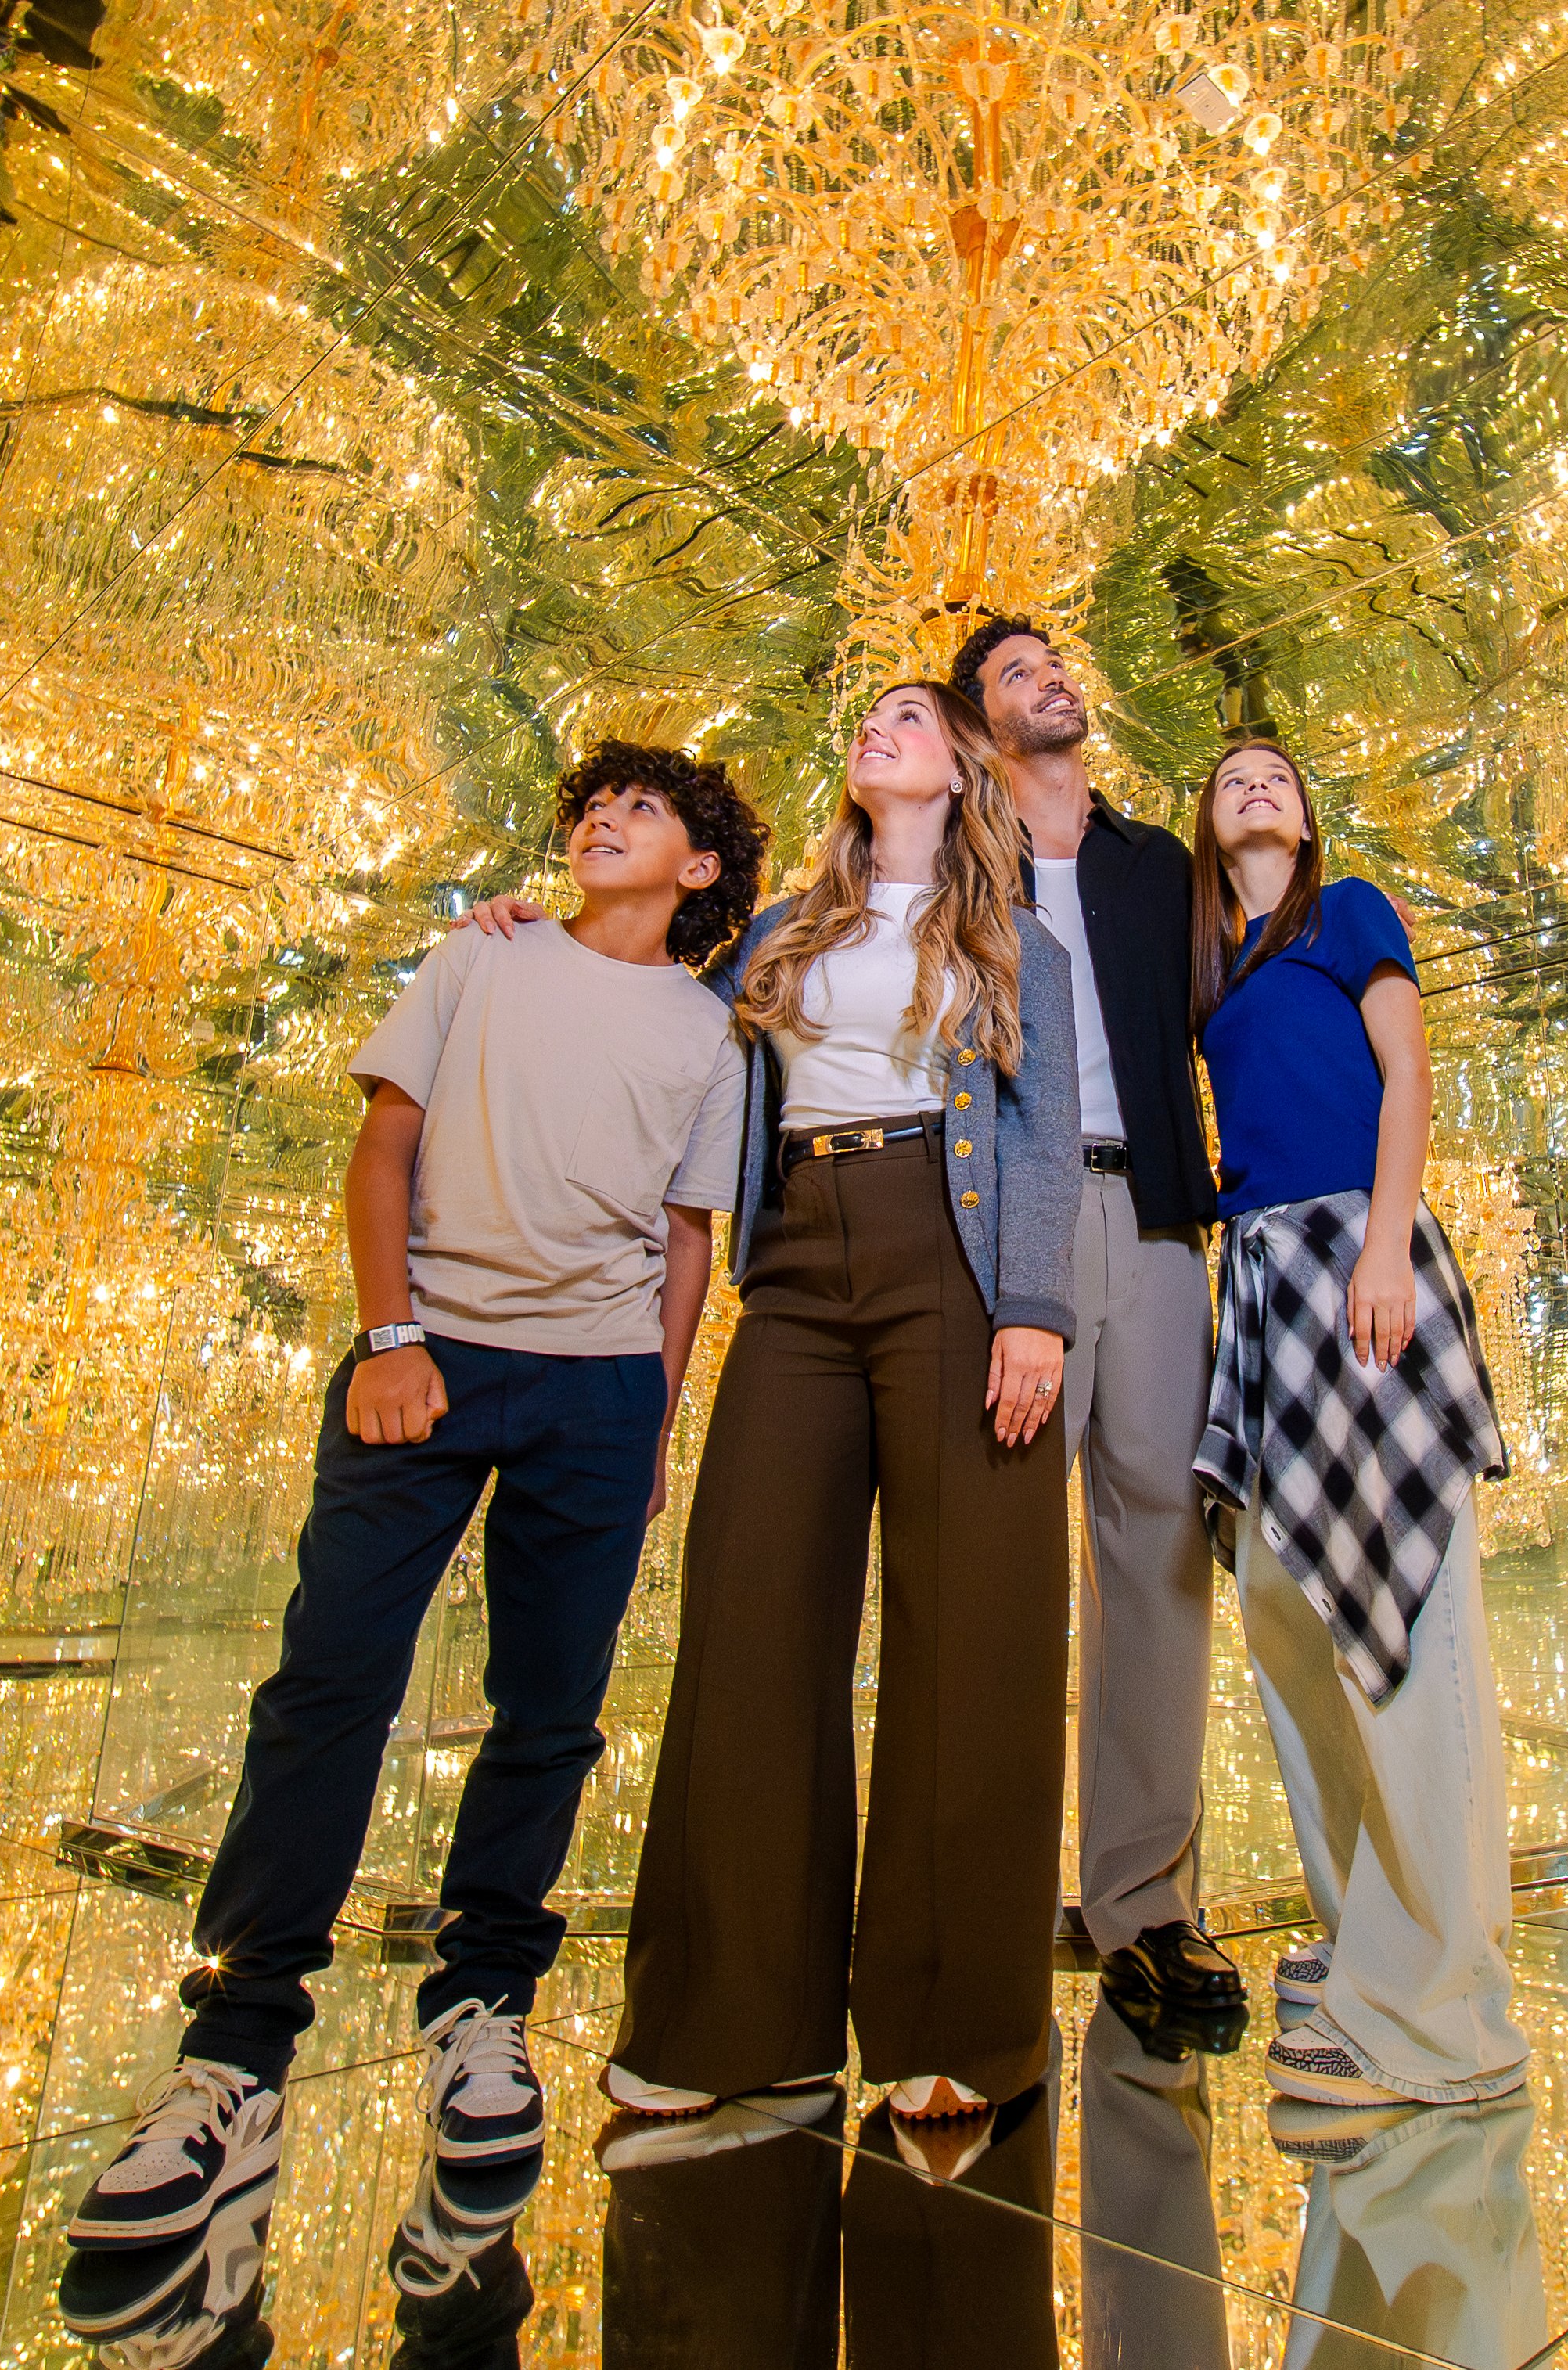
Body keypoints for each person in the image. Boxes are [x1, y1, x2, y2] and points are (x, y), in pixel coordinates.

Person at [63, 743, 767, 2261]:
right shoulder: (480, 954)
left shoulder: (712, 1038)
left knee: (548, 1709)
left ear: (698, 869)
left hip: (592, 1389)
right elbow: (383, 1141)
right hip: (426, 1359)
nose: (603, 818)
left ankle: (483, 2005)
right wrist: (389, 1336)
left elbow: (687, 1239)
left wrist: (651, 1416)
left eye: (643, 809)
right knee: (329, 1679)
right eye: (591, 802)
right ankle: (236, 2039)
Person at [605, 680, 1081, 2128]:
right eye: (867, 720)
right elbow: (661, 1030)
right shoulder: (776, 932)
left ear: (958, 767)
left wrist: (1038, 1310)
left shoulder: (1019, 940)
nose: (876, 729)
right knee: (752, 1610)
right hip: (799, 1263)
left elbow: (1045, 1126)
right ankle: (732, 2017)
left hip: (957, 1249)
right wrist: (532, 927)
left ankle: (958, 2023)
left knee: (972, 1633)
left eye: (906, 718)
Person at [1188, 736, 1525, 2109]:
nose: (1258, 785)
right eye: (1231, 778)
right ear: (1207, 825)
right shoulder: (1212, 963)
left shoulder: (1351, 907)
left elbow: (1407, 1074)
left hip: (1356, 1258)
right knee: (1286, 1603)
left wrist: (1389, 1244)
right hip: (1257, 1276)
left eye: (1278, 773)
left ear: (1307, 813)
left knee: (1403, 1613)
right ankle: (1367, 1936)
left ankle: (1447, 2012)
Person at [954, 613, 1249, 2046]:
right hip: (1017, 1221)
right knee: (1002, 1561)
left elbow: (1248, 996)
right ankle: (979, 1903)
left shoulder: (1155, 870)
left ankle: (1143, 1906)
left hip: (1157, 1228)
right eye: (1016, 674)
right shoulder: (945, 863)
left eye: (1056, 661)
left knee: (1159, 1564)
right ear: (977, 725)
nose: (1051, 677)